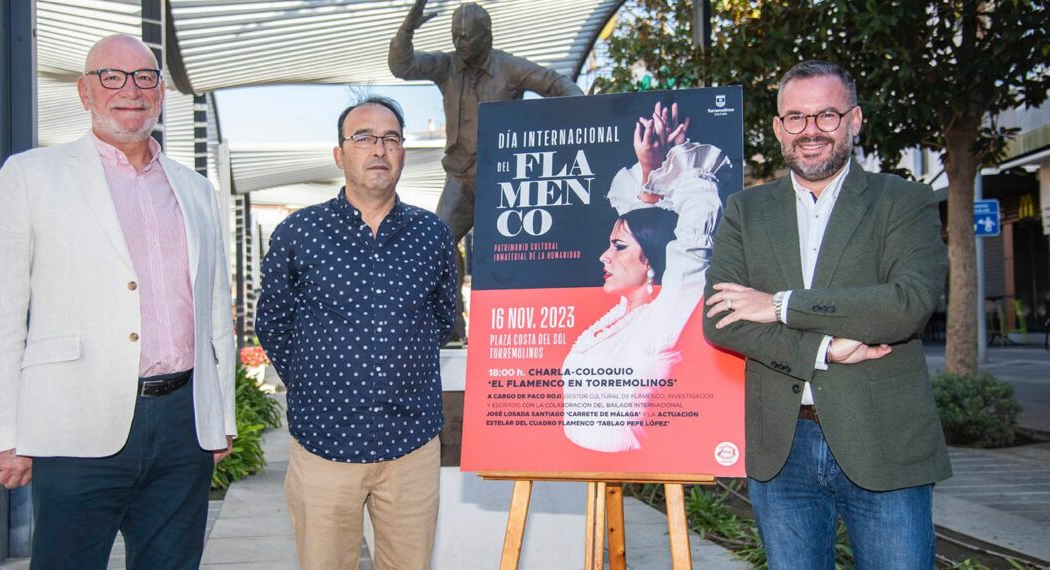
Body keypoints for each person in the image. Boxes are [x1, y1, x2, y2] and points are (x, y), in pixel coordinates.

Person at [0, 34, 236, 569]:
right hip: (73, 424)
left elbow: (215, 313)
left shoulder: (196, 190)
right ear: (84, 91)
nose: (129, 90)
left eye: (144, 77)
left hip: (183, 425)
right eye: (111, 77)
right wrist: (4, 433)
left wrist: (220, 414)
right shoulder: (32, 176)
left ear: (161, 92)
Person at [703, 60, 950, 569]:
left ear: (855, 120)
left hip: (884, 441)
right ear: (778, 128)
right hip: (782, 447)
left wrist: (778, 304)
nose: (810, 130)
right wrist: (824, 350)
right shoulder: (744, 211)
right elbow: (722, 319)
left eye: (827, 116)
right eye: (796, 117)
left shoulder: (903, 202)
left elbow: (906, 305)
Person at [255, 95, 456, 570]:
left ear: (403, 153)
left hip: (411, 445)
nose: (379, 149)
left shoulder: (433, 235)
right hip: (324, 444)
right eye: (364, 137)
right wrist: (317, 384)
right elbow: (273, 322)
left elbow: (443, 318)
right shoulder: (298, 233)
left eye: (390, 138)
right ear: (340, 154)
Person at [389, 0, 583, 341]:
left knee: (502, 257)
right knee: (439, 244)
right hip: (460, 176)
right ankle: (450, 326)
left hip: (501, 180)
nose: (459, 44)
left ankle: (502, 328)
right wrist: (409, 26)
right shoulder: (447, 66)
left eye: (466, 37)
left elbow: (555, 83)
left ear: (486, 36)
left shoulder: (508, 67)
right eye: (455, 36)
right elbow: (401, 66)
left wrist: (587, 108)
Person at [563, 102, 727, 452]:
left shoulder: (663, 318)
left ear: (651, 261)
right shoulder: (622, 314)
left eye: (618, 247)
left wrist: (680, 162)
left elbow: (692, 234)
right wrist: (653, 171)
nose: (604, 256)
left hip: (632, 469)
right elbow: (645, 226)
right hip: (577, 466)